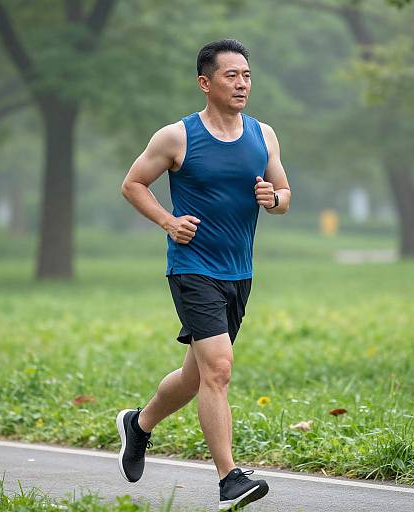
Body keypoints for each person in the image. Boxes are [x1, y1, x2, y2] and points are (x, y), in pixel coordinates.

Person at [118, 38, 291, 511]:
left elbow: (284, 193)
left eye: (247, 75)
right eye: (231, 75)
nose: (241, 83)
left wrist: (273, 200)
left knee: (195, 378)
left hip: (240, 273)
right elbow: (133, 183)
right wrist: (168, 222)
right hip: (193, 268)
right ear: (205, 82)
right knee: (219, 369)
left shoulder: (264, 134)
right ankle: (228, 478)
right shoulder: (177, 136)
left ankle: (140, 424)